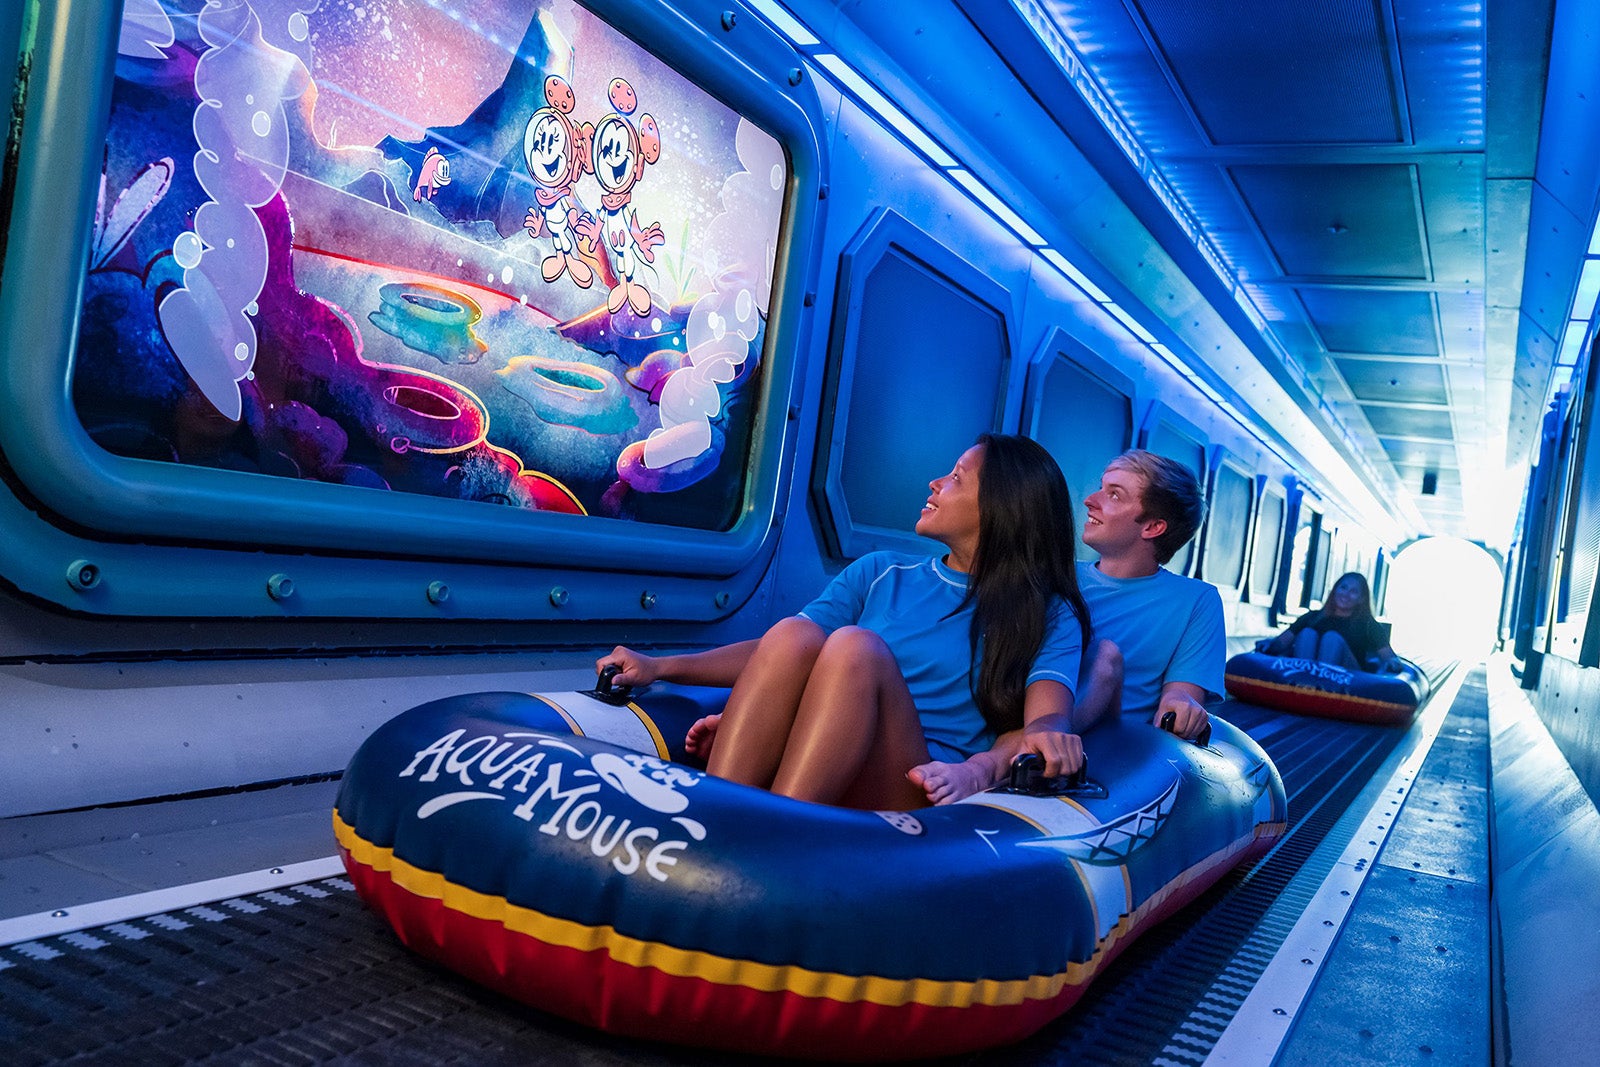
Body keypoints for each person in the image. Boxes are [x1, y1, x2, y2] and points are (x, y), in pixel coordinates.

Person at [596, 434, 1092, 810]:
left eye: (957, 478)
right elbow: (775, 654)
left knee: (856, 648)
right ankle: (717, 812)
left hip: (917, 781)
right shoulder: (880, 572)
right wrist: (660, 667)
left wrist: (1011, 755)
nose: (935, 483)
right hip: (826, 758)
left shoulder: (1047, 612)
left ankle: (776, 827)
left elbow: (1046, 718)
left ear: (1002, 508)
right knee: (796, 632)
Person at [912, 449, 1224, 804]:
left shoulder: (1196, 600)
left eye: (1114, 494)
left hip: (1104, 740)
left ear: (1153, 527)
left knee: (1104, 657)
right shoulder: (1054, 575)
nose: (1090, 501)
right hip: (1019, 712)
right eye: (1100, 488)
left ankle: (985, 768)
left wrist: (1181, 703)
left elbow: (1181, 695)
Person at [1262, 571, 1400, 671]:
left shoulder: (1369, 625)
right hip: (1307, 675)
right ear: (1335, 590)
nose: (1346, 594)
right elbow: (1281, 643)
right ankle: (1303, 680)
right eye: (1343, 588)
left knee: (1332, 638)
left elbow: (1388, 656)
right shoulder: (1312, 617)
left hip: (1347, 678)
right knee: (1307, 633)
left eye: (1353, 591)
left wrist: (1393, 663)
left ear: (1361, 599)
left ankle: (1323, 684)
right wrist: (1268, 644)